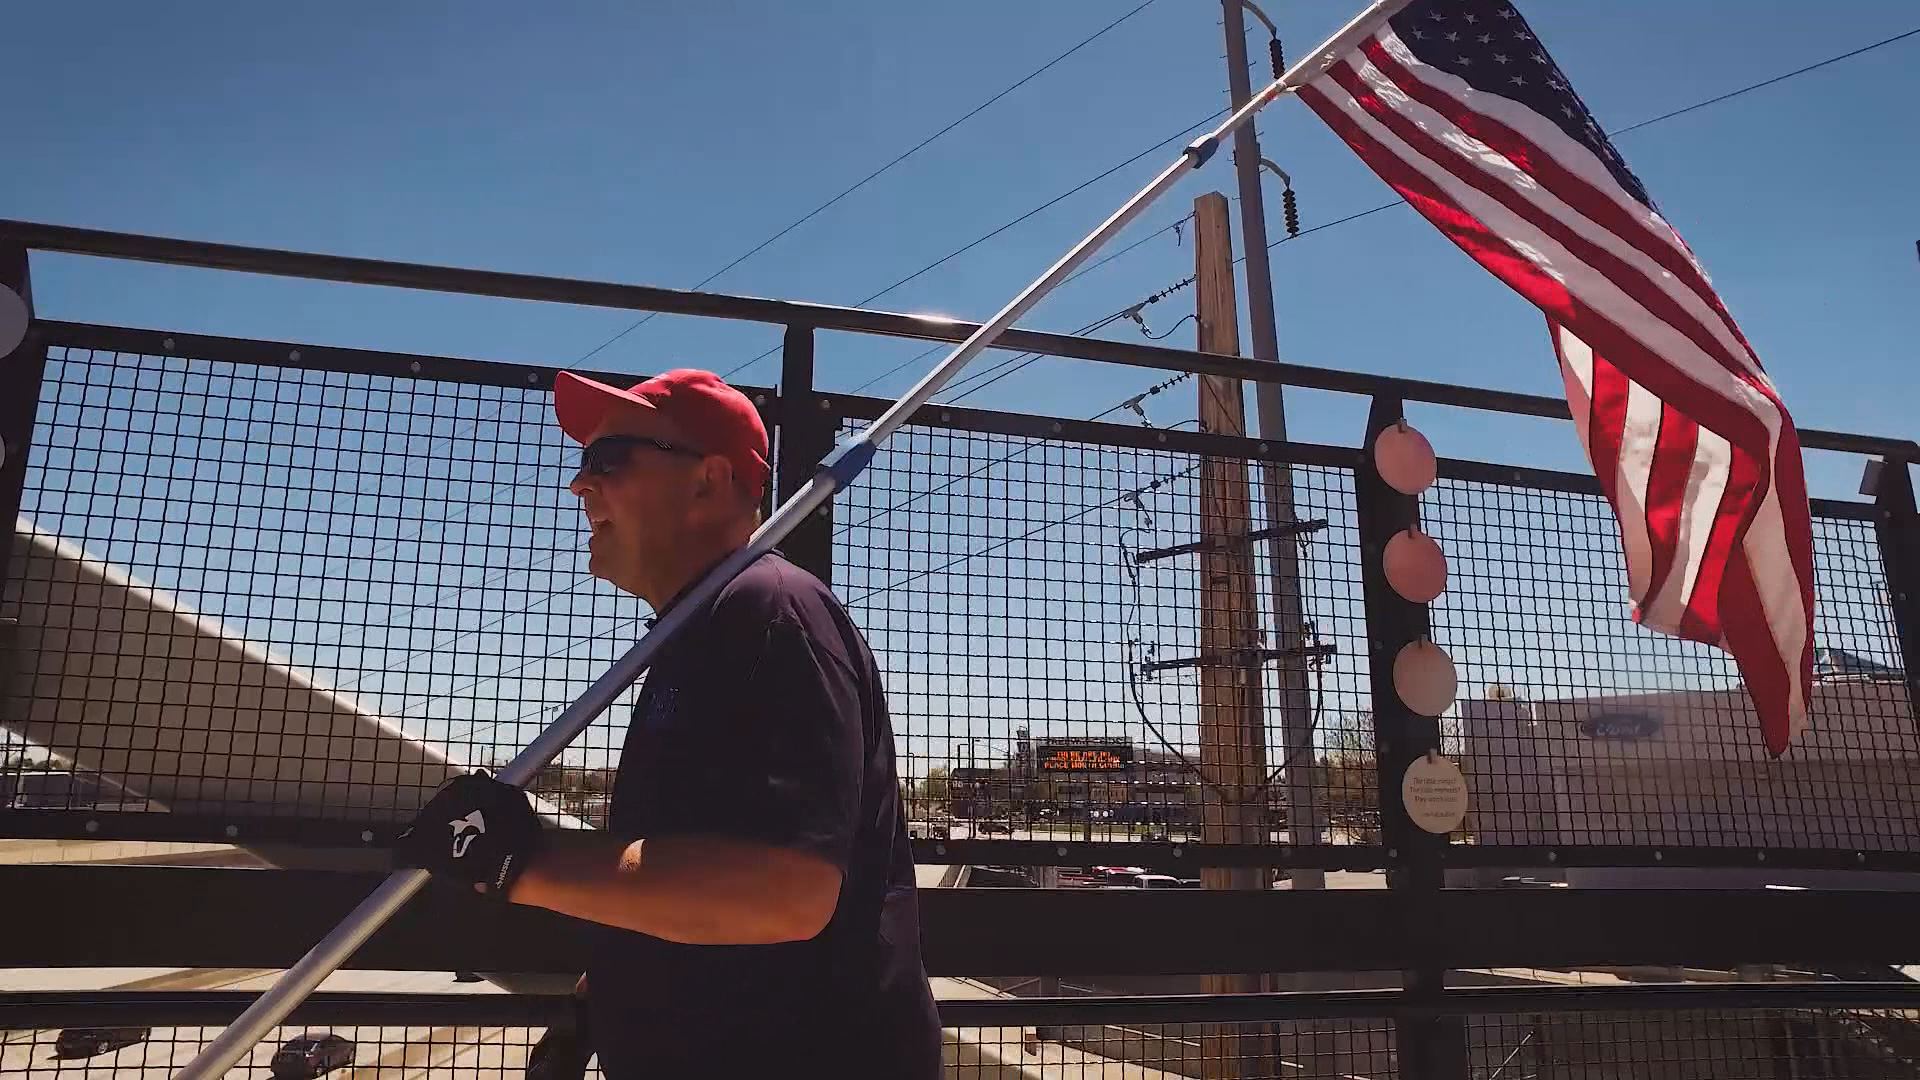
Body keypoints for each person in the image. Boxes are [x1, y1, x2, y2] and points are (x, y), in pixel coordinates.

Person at [396, 368, 942, 1078]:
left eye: (608, 459)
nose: (579, 485)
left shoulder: (769, 614)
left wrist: (519, 863)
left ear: (708, 482)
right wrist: (602, 998)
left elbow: (785, 892)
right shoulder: (699, 636)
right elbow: (686, 856)